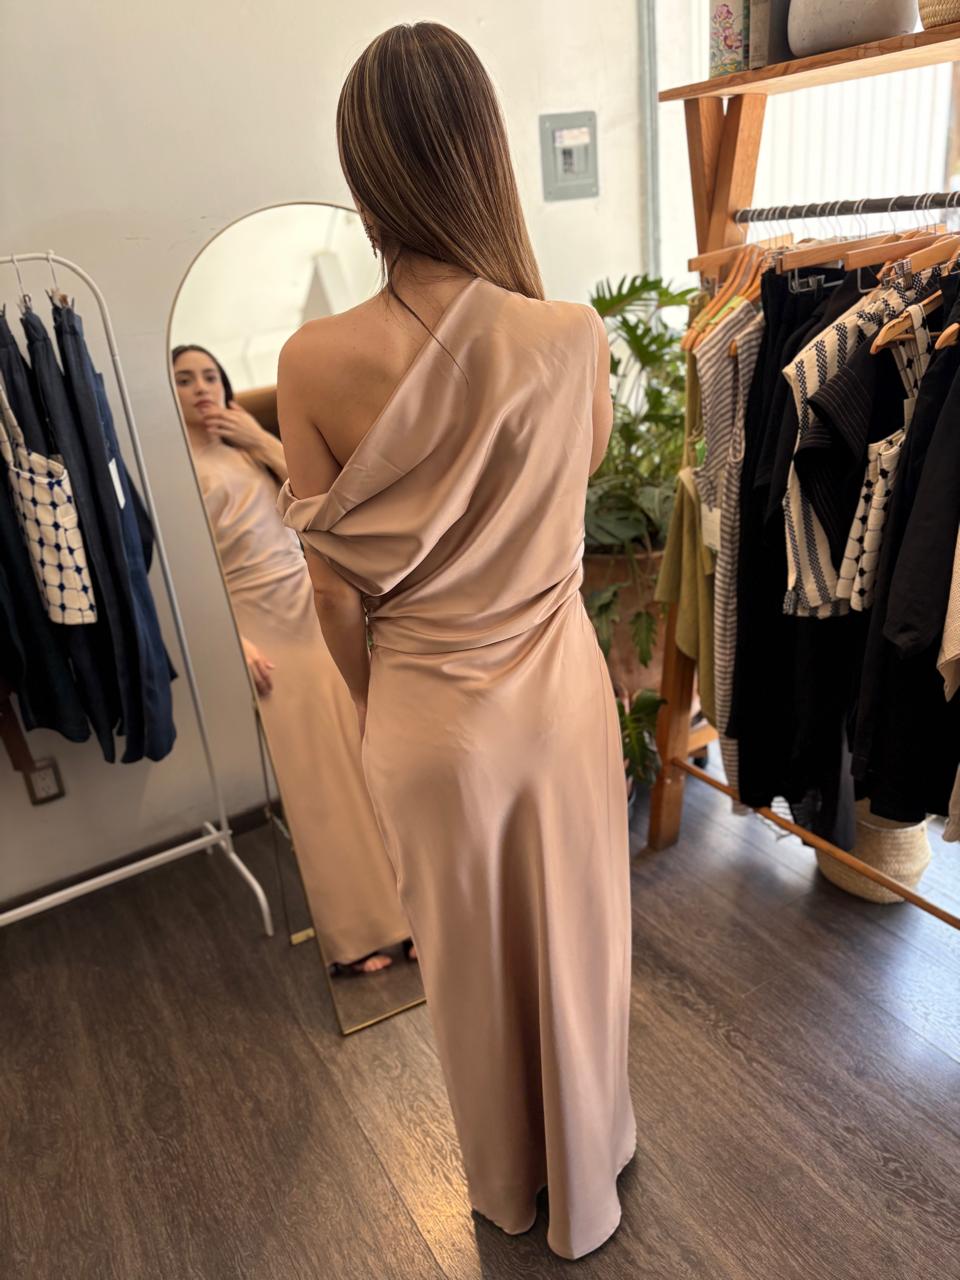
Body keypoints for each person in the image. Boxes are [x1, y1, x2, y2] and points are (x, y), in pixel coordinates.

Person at [275, 22, 635, 1260]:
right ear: (486, 153)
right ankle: (593, 1155)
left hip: (428, 713)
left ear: (365, 172)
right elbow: (574, 492)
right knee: (581, 938)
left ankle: (513, 1187)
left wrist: (381, 706)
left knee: (473, 970)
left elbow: (333, 598)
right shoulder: (569, 334)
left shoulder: (312, 361)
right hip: (562, 693)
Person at [172, 344, 413, 975]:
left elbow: (322, 501)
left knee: (373, 765)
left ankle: (414, 912)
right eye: (184, 379)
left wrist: (259, 438)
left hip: (316, 607)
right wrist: (231, 639)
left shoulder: (249, 448)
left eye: (210, 376)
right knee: (318, 786)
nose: (202, 388)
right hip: (259, 627)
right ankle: (357, 934)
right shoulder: (173, 475)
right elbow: (183, 574)